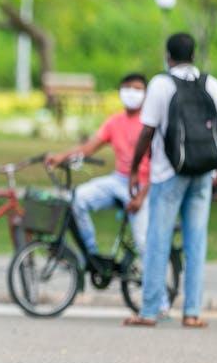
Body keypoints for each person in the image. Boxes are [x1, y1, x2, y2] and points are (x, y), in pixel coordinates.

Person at [124, 33, 217, 328]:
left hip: (168, 173)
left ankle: (148, 311)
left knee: (159, 241)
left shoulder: (161, 84)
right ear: (193, 55)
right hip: (202, 173)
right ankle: (192, 312)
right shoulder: (212, 83)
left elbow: (147, 132)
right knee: (197, 243)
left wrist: (134, 170)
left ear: (168, 56)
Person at [46, 73, 151, 257]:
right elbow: (87, 149)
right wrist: (61, 157)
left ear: (146, 94)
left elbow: (160, 167)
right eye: (127, 89)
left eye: (137, 89)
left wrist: (142, 196)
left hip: (143, 185)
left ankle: (156, 283)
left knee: (142, 241)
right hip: (118, 180)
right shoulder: (114, 122)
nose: (131, 93)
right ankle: (91, 256)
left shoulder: (150, 123)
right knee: (77, 199)